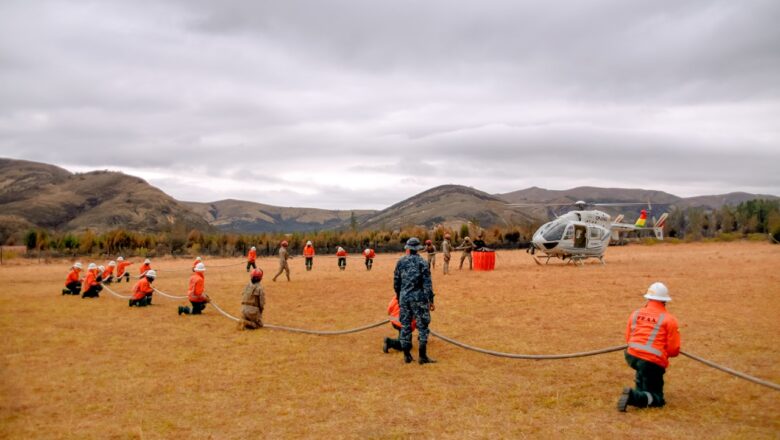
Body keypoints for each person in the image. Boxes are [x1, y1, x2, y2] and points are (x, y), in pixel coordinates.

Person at [617, 282, 681, 412]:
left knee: (643, 373)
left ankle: (639, 391)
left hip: (632, 356)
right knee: (657, 399)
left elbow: (628, 338)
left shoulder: (635, 313)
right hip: (651, 362)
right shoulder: (669, 320)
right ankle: (633, 396)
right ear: (664, 301)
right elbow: (673, 350)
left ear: (648, 299)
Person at [394, 237, 436, 364]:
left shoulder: (400, 262)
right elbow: (427, 284)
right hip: (419, 299)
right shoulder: (422, 262)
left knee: (405, 326)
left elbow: (396, 282)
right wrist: (431, 300)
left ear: (408, 248)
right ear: (417, 249)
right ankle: (422, 356)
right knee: (422, 326)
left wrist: (398, 296)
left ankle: (407, 356)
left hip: (404, 298)